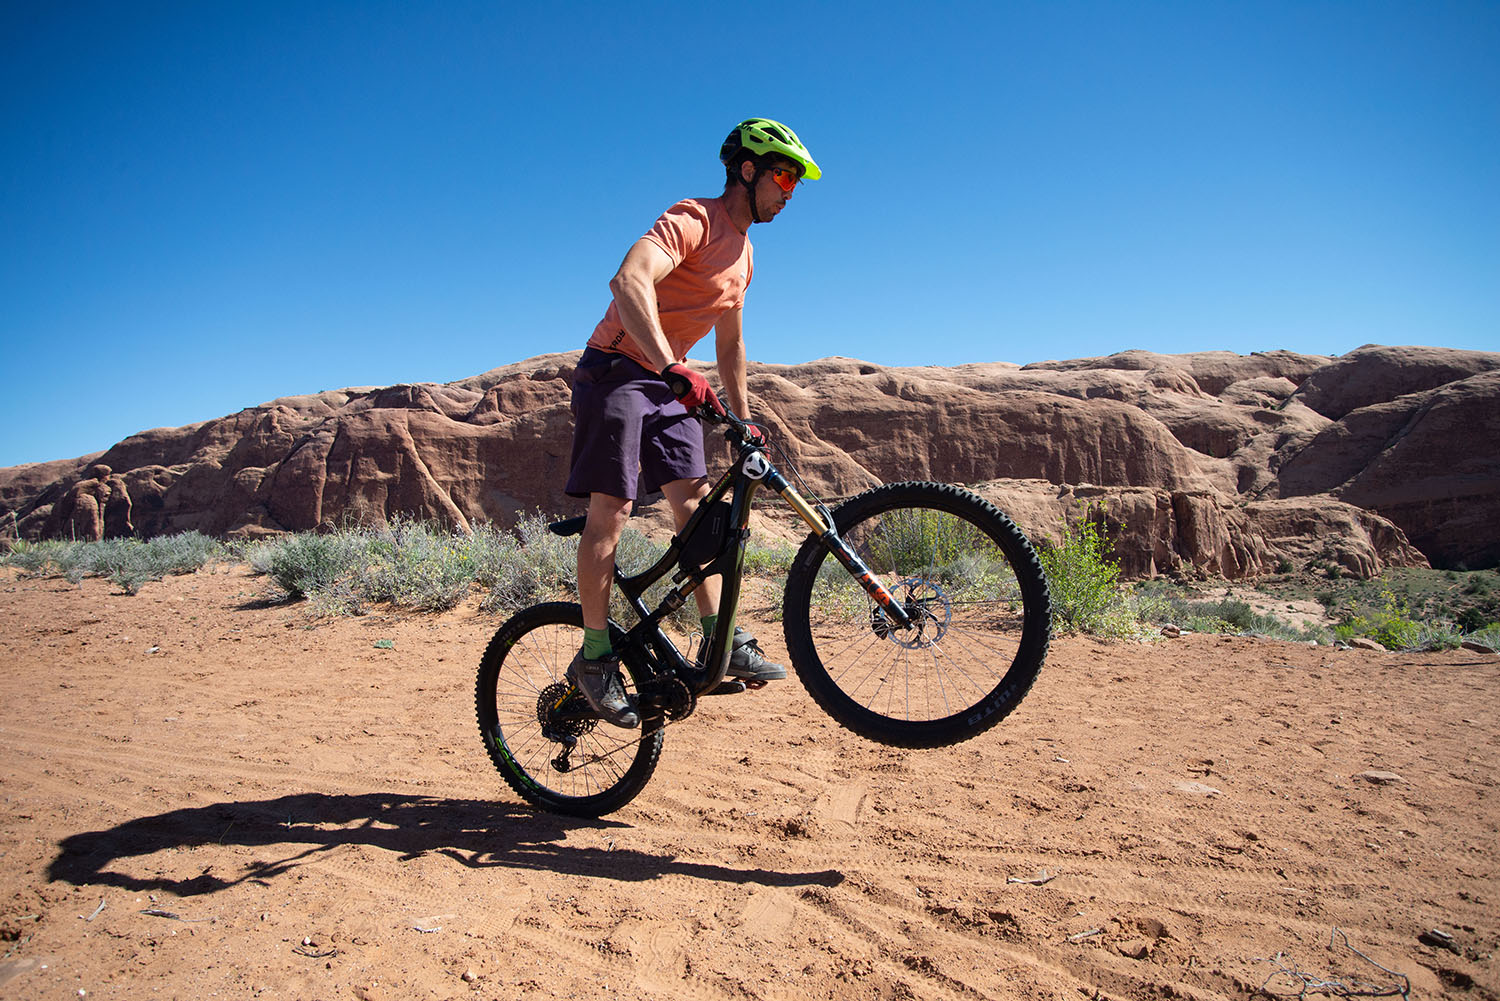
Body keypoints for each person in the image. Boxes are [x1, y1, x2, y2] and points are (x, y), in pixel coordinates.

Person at [562, 117, 821, 728]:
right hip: (619, 369)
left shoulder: (747, 256)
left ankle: (720, 638)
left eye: (796, 183)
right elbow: (630, 280)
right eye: (783, 175)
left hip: (668, 380)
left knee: (698, 506)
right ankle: (595, 657)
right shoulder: (694, 219)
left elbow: (730, 344)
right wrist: (671, 364)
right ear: (748, 170)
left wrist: (743, 417)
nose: (790, 191)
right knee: (614, 509)